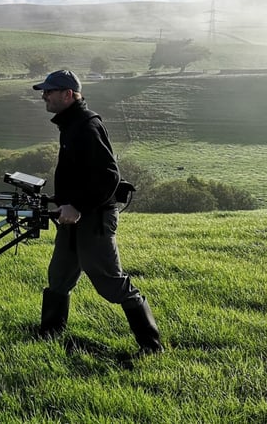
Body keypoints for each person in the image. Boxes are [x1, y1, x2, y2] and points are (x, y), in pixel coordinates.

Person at [32, 69, 164, 355]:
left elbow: (108, 176)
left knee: (109, 282)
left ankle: (151, 347)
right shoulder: (70, 124)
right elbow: (82, 174)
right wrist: (60, 199)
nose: (44, 96)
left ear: (68, 94)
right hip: (74, 216)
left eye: (49, 91)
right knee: (59, 276)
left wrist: (77, 206)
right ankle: (50, 334)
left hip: (93, 218)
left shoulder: (86, 125)